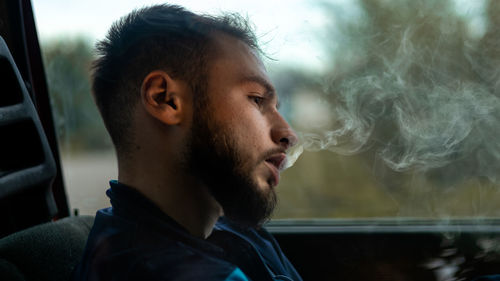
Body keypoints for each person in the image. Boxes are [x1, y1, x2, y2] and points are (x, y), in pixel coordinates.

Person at [72, 4, 302, 281]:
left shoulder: (234, 230)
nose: (287, 133)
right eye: (256, 100)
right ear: (166, 100)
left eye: (277, 107)